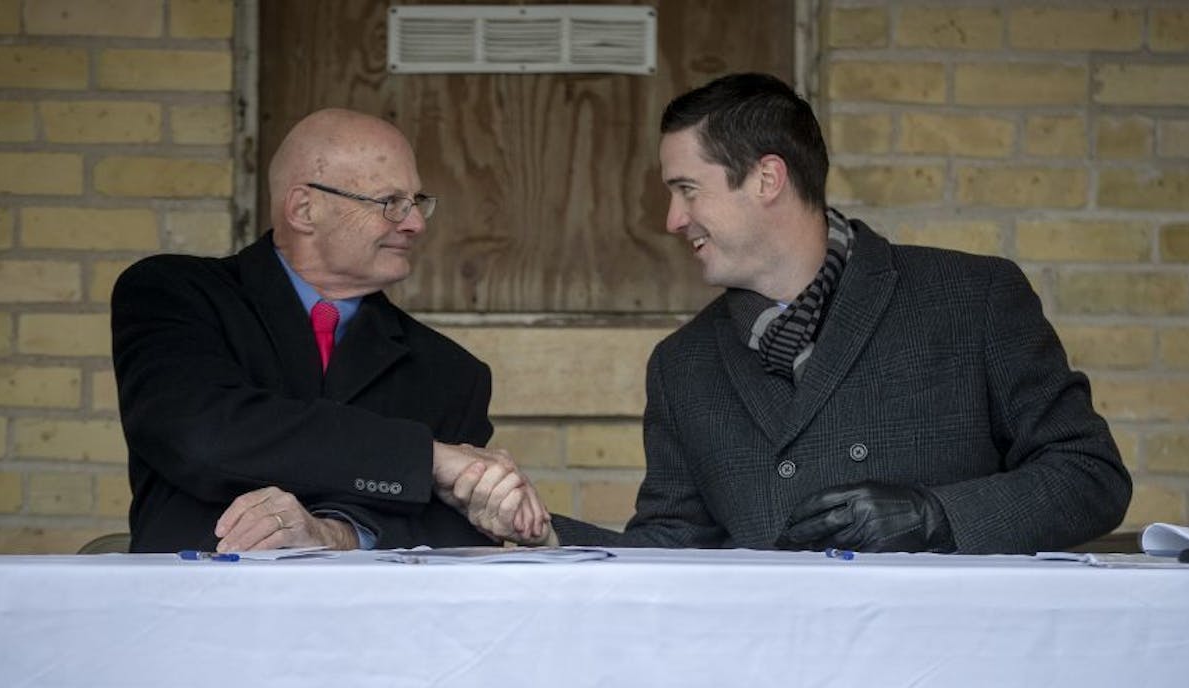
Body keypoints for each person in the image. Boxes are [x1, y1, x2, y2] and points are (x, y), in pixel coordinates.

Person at [466, 73, 1131, 553]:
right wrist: (546, 536)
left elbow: (1090, 478)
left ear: (767, 179)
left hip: (950, 679)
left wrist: (934, 515)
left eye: (686, 189)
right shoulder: (683, 365)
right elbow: (669, 551)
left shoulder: (973, 299)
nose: (672, 220)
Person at [112, 108, 546, 553]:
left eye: (417, 202)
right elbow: (204, 434)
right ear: (304, 209)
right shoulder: (176, 293)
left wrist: (337, 535)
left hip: (373, 621)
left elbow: (457, 534)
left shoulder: (450, 372)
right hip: (190, 609)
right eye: (390, 203)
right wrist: (428, 458)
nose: (415, 223)